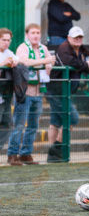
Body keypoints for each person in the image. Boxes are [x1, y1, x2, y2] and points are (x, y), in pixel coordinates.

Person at [7, 23, 56, 165]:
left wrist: (48, 66)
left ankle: (26, 153)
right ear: (27, 35)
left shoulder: (44, 48)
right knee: (19, 124)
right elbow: (24, 62)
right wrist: (45, 62)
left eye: (38, 33)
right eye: (33, 33)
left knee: (33, 125)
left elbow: (51, 62)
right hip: (25, 91)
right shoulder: (22, 47)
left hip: (39, 91)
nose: (36, 35)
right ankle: (12, 154)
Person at [46, 26, 89, 163]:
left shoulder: (81, 48)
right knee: (73, 118)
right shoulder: (64, 48)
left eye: (80, 37)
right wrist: (86, 64)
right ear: (69, 38)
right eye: (75, 37)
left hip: (64, 91)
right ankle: (56, 148)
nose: (78, 40)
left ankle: (52, 155)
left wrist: (88, 61)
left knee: (55, 121)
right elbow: (69, 62)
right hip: (57, 91)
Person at [0, 28, 25, 165]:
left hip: (5, 96)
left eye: (8, 40)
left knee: (8, 124)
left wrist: (16, 63)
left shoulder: (9, 53)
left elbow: (19, 61)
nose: (6, 43)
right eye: (3, 39)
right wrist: (2, 64)